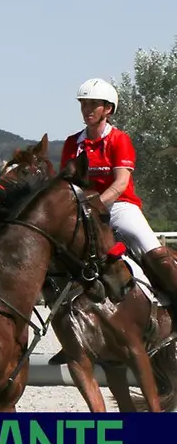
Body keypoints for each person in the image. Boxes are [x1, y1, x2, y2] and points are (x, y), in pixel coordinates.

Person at [60, 78, 177, 301]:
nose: (86, 110)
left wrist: (95, 205)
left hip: (120, 207)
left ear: (108, 109)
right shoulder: (72, 143)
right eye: (84, 104)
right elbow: (67, 183)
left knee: (153, 250)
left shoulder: (119, 139)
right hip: (83, 211)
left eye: (93, 104)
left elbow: (121, 182)